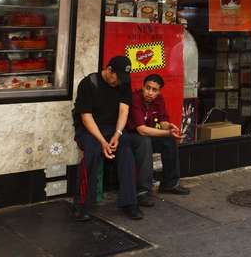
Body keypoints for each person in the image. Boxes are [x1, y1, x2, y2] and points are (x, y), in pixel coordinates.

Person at [72, 56, 141, 221]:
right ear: (109, 70)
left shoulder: (123, 82)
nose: (119, 82)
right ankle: (82, 204)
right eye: (117, 77)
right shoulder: (89, 83)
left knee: (125, 147)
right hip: (90, 129)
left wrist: (118, 134)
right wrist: (102, 141)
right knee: (93, 150)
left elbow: (124, 110)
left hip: (112, 129)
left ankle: (129, 202)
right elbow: (86, 117)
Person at [125, 74, 190, 208]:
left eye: (154, 90)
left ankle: (169, 184)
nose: (150, 92)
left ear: (159, 91)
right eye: (148, 88)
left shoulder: (159, 99)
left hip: (148, 134)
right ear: (143, 87)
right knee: (145, 141)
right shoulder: (135, 98)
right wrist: (166, 132)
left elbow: (163, 121)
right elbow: (141, 129)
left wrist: (170, 128)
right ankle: (143, 191)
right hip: (130, 136)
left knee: (169, 140)